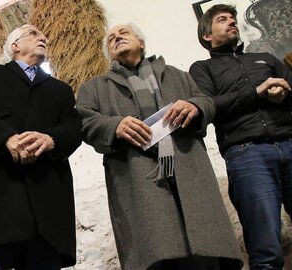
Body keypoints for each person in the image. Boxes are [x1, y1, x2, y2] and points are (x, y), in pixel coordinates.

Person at [76, 23, 243, 270]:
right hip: (137, 179)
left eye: (124, 33)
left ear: (141, 43)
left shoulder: (177, 74)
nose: (117, 37)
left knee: (204, 251)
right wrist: (115, 125)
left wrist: (195, 106)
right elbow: (83, 120)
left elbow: (206, 101)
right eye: (111, 38)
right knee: (156, 252)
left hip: (188, 168)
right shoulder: (95, 87)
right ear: (108, 53)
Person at [0, 24, 82, 270]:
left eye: (43, 34)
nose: (44, 37)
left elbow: (75, 126)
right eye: (34, 34)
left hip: (47, 205)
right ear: (15, 45)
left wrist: (51, 139)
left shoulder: (61, 90)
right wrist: (5, 138)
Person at [189, 4, 292, 270]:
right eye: (222, 20)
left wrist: (284, 93)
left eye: (233, 19)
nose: (232, 22)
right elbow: (210, 105)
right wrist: (257, 92)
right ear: (207, 36)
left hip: (289, 141)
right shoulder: (202, 69)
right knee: (266, 250)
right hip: (247, 154)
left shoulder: (267, 58)